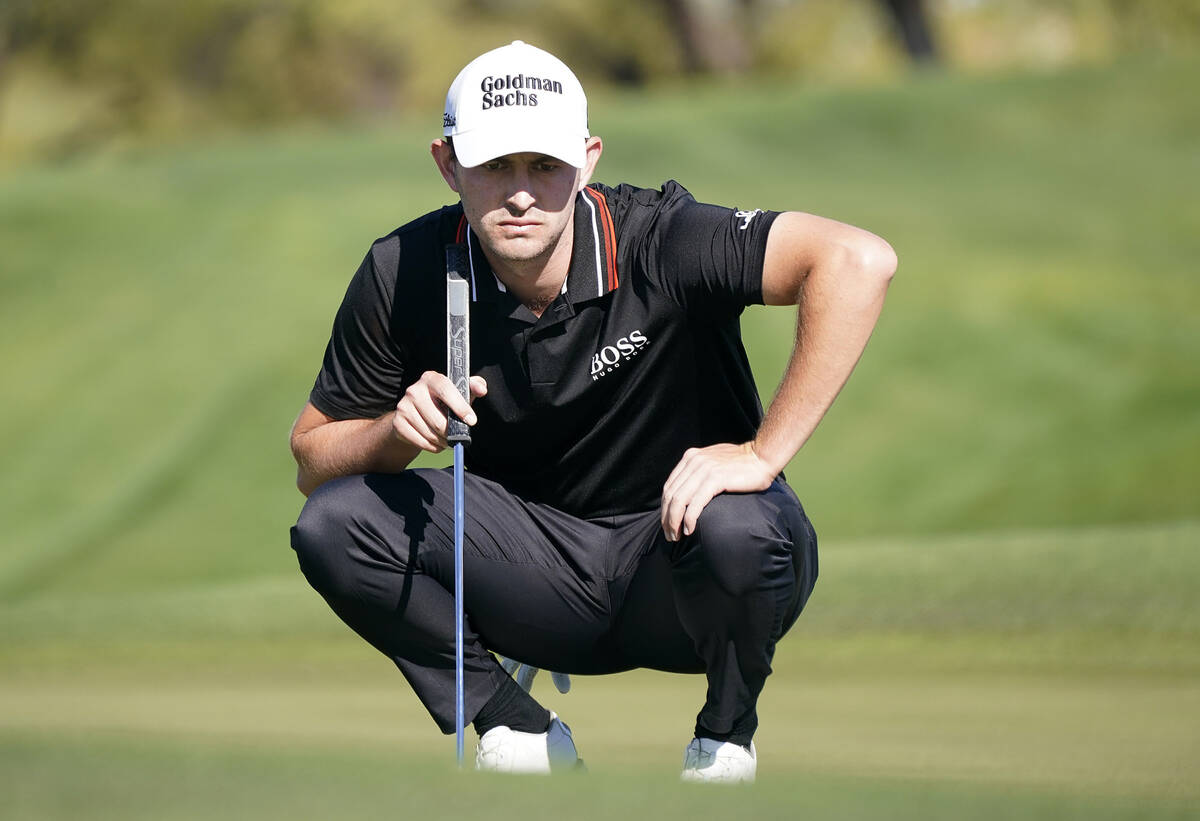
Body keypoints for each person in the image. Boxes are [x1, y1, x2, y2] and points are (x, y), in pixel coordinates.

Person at [289, 40, 895, 782]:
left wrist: (763, 454)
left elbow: (857, 261)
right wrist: (392, 432)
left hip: (683, 574)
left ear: (588, 159)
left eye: (545, 166)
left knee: (741, 523)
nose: (520, 193)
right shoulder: (405, 269)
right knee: (334, 523)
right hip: (531, 584)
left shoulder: (659, 238)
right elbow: (312, 463)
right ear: (448, 166)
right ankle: (512, 726)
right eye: (494, 166)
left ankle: (725, 737)